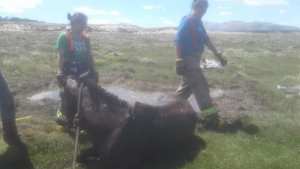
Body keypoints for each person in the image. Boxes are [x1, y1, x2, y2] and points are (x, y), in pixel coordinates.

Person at [175, 0, 227, 125]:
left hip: (195, 59)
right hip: (188, 59)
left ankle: (167, 109)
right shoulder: (188, 20)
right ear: (195, 6)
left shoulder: (199, 22)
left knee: (185, 91)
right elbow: (178, 39)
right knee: (201, 88)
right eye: (202, 7)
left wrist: (218, 55)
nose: (204, 10)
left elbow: (206, 39)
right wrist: (178, 60)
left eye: (205, 8)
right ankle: (211, 120)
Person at [55, 12, 98, 128]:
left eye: (85, 23)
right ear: (74, 23)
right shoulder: (64, 37)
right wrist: (59, 72)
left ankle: (84, 117)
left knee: (91, 91)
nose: (84, 26)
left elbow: (89, 55)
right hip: (69, 72)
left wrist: (94, 70)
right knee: (74, 90)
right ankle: (65, 115)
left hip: (84, 71)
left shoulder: (85, 38)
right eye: (82, 23)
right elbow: (61, 56)